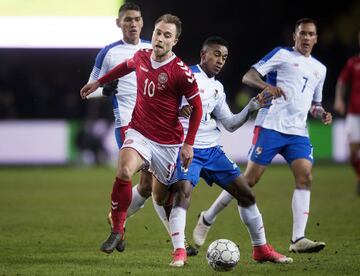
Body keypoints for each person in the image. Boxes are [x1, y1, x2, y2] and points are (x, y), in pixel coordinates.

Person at [193, 18, 333, 254]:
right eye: (302, 34)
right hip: (270, 125)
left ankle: (298, 238)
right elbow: (248, 77)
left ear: (316, 38)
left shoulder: (320, 69)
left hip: (297, 131)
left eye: (311, 34)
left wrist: (322, 113)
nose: (306, 38)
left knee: (305, 177)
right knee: (247, 182)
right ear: (295, 36)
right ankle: (207, 217)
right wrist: (266, 87)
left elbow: (314, 105)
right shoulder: (281, 55)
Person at [80, 14, 203, 266]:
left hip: (167, 144)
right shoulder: (142, 56)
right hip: (139, 132)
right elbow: (125, 67)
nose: (160, 38)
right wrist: (98, 83)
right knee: (124, 170)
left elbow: (197, 107)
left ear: (175, 41)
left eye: (167, 35)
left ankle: (177, 245)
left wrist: (188, 143)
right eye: (158, 32)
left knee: (156, 196)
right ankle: (118, 226)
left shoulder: (181, 72)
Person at [169, 35, 293, 267]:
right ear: (203, 54)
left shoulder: (217, 88)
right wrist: (178, 112)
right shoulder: (186, 76)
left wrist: (252, 107)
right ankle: (179, 252)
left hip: (213, 150)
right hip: (187, 148)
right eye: (216, 54)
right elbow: (166, 107)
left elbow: (230, 124)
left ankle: (261, 249)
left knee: (246, 194)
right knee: (182, 193)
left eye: (224, 57)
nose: (220, 61)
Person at [333, 30, 360, 195]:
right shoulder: (353, 63)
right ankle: (359, 176)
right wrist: (338, 99)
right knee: (352, 154)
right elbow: (342, 82)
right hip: (354, 114)